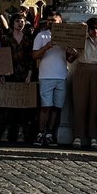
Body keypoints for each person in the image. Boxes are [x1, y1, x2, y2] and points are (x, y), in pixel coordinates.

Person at [32, 12, 72, 147]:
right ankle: (40, 133)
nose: (51, 23)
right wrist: (47, 46)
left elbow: (69, 58)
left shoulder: (66, 38)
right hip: (46, 76)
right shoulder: (41, 35)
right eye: (49, 20)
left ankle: (50, 134)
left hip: (61, 76)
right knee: (45, 107)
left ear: (60, 22)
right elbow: (34, 55)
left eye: (54, 21)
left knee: (56, 108)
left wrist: (74, 53)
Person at [72, 17, 97, 150]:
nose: (95, 31)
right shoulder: (82, 40)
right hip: (82, 69)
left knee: (95, 106)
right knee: (80, 104)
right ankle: (78, 136)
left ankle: (93, 136)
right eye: (93, 28)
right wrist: (81, 27)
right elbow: (73, 35)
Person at [0, 13, 34, 143]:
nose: (20, 23)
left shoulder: (28, 39)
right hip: (9, 74)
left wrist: (30, 75)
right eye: (18, 21)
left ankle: (20, 132)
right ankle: (6, 131)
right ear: (13, 23)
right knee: (7, 105)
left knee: (22, 105)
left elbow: (30, 58)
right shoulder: (6, 38)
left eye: (23, 21)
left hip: (23, 74)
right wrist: (2, 74)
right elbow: (1, 57)